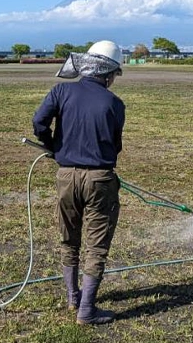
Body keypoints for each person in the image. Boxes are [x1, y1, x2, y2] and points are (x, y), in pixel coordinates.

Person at [32, 40, 126, 325]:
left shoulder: (62, 90)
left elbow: (39, 123)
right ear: (108, 73)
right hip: (101, 179)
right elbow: (115, 145)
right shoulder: (115, 103)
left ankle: (74, 297)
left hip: (66, 175)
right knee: (97, 245)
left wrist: (53, 146)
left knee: (69, 238)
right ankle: (86, 309)